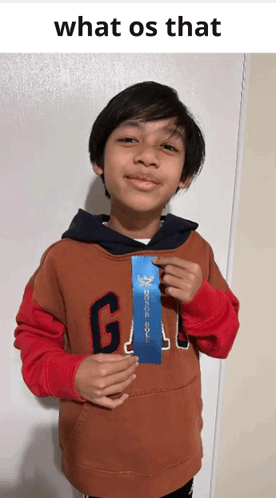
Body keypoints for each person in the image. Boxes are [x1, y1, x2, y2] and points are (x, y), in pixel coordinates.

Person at [14, 81, 240, 498]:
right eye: (130, 138)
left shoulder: (197, 251)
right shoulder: (63, 259)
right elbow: (32, 344)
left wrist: (201, 297)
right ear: (99, 159)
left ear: (185, 176)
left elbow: (222, 340)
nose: (147, 156)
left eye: (168, 147)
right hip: (100, 464)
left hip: (177, 459)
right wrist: (71, 373)